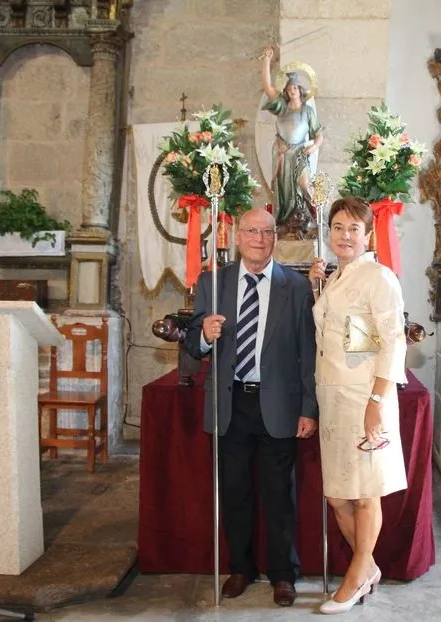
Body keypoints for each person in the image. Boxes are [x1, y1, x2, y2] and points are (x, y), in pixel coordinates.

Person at [181, 208, 318, 607]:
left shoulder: (296, 287)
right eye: (252, 231)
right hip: (230, 403)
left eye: (267, 232)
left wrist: (308, 408)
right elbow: (192, 345)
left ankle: (283, 573)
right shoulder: (213, 282)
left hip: (279, 404)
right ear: (236, 236)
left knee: (279, 495)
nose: (259, 239)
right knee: (235, 492)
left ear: (275, 238)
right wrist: (204, 336)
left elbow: (308, 353)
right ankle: (240, 568)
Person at [307, 197, 408, 615]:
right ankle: (367, 567)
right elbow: (345, 336)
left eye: (353, 229)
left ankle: (356, 574)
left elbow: (392, 342)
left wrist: (376, 402)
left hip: (365, 398)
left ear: (368, 236)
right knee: (337, 495)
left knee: (366, 493)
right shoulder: (338, 276)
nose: (344, 236)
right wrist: (317, 288)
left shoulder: (379, 277)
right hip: (334, 400)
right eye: (338, 228)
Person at [261, 46, 324, 234]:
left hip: (300, 154)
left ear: (300, 90)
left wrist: (314, 147)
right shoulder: (282, 107)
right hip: (283, 154)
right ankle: (287, 223)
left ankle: (314, 217)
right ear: (286, 92)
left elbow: (318, 134)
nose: (292, 91)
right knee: (283, 192)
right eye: (289, 89)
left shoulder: (307, 111)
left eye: (295, 88)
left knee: (304, 184)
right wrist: (266, 61)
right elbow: (268, 87)